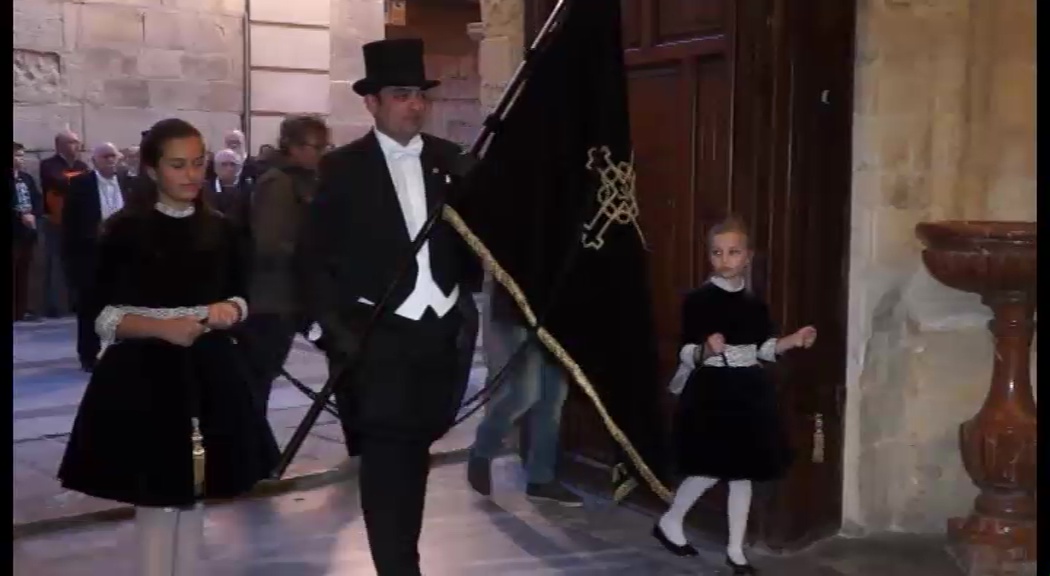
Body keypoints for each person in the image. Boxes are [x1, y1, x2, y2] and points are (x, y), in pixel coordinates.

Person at [57, 118, 280, 576]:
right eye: (178, 165)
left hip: (209, 374)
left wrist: (228, 311)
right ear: (153, 170)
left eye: (198, 163)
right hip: (146, 378)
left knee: (196, 497)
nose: (192, 175)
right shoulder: (125, 230)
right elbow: (100, 314)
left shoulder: (222, 228)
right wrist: (160, 328)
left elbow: (242, 295)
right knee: (158, 501)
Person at [297, 38, 481, 576]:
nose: (415, 105)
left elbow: (490, 235)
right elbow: (312, 263)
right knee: (385, 469)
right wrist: (333, 334)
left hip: (440, 336)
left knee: (416, 460)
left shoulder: (453, 162)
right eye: (401, 95)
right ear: (372, 103)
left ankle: (406, 560)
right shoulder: (342, 169)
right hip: (376, 340)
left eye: (419, 95)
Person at [653, 216, 817, 575]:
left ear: (747, 257)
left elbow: (765, 348)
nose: (724, 259)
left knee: (742, 473)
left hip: (749, 391)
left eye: (733, 252)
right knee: (710, 469)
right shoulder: (698, 301)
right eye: (717, 252)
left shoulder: (755, 305)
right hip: (713, 391)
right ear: (709, 256)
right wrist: (706, 350)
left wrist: (794, 339)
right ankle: (671, 521)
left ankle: (735, 549)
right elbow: (686, 351)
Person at [240, 114, 329, 414]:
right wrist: (312, 254)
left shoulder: (302, 179)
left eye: (323, 147)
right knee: (258, 383)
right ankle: (253, 451)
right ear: (291, 146)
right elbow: (269, 241)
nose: (318, 154)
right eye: (313, 147)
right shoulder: (278, 182)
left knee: (263, 378)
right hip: (270, 300)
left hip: (290, 297)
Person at [466, 278, 582, 505]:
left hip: (556, 315)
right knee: (525, 392)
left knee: (553, 397)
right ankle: (482, 449)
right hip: (516, 308)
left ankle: (541, 479)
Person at [62, 143, 133, 372]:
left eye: (114, 156)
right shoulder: (80, 185)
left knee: (125, 307)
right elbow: (70, 225)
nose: (110, 160)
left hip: (123, 256)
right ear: (94, 160)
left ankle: (123, 352)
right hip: (91, 255)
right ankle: (89, 356)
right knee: (90, 308)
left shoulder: (128, 183)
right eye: (105, 156)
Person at [39, 130, 89, 317]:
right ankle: (56, 307)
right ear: (59, 145)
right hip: (56, 221)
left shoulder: (81, 164)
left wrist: (72, 178)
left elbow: (84, 184)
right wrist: (78, 178)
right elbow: (57, 181)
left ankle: (78, 304)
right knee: (56, 264)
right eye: (72, 142)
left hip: (79, 222)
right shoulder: (48, 164)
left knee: (78, 264)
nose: (77, 146)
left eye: (77, 142)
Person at [12, 141, 43, 322]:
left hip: (27, 233)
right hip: (14, 230)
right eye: (17, 155)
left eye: (22, 155)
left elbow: (37, 199)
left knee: (24, 272)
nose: (21, 159)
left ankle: (20, 310)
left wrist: (33, 214)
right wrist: (19, 215)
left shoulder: (26, 178)